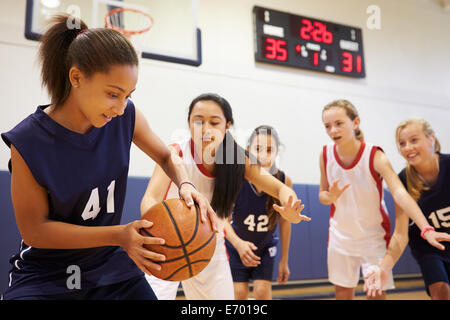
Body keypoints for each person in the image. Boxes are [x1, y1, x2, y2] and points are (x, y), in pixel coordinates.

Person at [0, 15, 215, 300]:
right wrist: (118, 235)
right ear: (76, 77)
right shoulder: (28, 140)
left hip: (108, 267)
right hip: (46, 274)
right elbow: (35, 231)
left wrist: (186, 185)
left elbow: (167, 156)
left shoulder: (126, 116)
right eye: (113, 94)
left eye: (128, 95)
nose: (121, 106)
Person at [140, 93, 310, 300]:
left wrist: (290, 205)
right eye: (198, 121)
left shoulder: (236, 158)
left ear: (227, 126)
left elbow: (279, 188)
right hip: (166, 244)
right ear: (188, 123)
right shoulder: (175, 153)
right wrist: (159, 232)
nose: (205, 128)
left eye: (214, 122)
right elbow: (150, 199)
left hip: (209, 244)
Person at [319, 99, 447, 300]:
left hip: (373, 238)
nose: (333, 130)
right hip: (340, 237)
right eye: (327, 126)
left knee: (376, 294)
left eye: (339, 123)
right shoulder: (326, 154)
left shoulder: (374, 155)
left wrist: (426, 228)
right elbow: (322, 195)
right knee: (342, 296)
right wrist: (329, 197)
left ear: (355, 122)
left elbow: (400, 195)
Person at [364, 118, 450, 300]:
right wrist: (384, 267)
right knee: (441, 290)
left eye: (414, 140)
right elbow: (401, 233)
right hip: (428, 248)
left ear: (431, 139)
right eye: (402, 143)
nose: (407, 147)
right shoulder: (403, 181)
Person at [224, 125, 293, 300]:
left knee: (262, 293)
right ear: (248, 151)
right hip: (236, 247)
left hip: (264, 248)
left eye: (269, 150)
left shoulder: (284, 180)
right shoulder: (237, 179)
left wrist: (284, 260)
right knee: (239, 294)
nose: (263, 155)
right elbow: (222, 218)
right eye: (258, 149)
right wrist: (238, 243)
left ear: (277, 152)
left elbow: (285, 222)